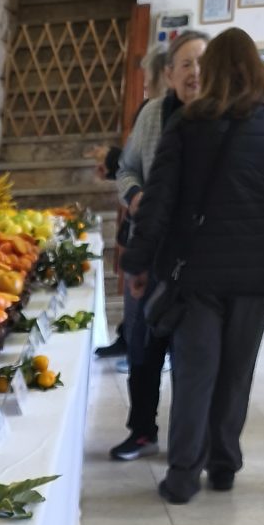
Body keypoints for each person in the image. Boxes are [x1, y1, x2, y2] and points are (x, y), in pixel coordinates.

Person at [123, 28, 264, 503]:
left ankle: (184, 475)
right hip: (254, 280)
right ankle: (225, 464)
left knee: (195, 374)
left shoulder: (188, 125)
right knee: (236, 373)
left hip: (196, 277)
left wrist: (138, 263)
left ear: (211, 71)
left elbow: (158, 204)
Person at [108, 32, 206, 459]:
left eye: (201, 63)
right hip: (147, 249)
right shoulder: (152, 115)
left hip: (199, 261)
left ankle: (189, 439)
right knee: (142, 343)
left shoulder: (222, 119)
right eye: (185, 64)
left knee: (192, 354)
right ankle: (142, 428)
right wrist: (133, 196)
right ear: (168, 74)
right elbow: (126, 169)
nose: (194, 72)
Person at [95, 47, 171, 362]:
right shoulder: (150, 112)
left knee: (150, 302)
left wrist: (113, 161)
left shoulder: (162, 112)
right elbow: (132, 163)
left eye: (147, 78)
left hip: (159, 229)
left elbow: (147, 166)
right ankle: (130, 338)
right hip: (141, 218)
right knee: (136, 297)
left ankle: (145, 348)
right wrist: (119, 171)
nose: (144, 86)